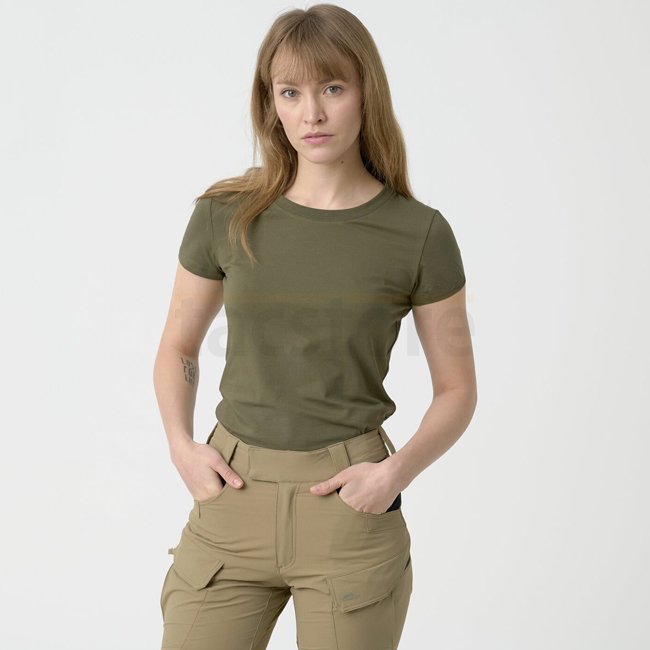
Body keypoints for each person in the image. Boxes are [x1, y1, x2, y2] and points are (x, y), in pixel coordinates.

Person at [153, 4, 477, 649]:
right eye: (290, 92)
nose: (312, 114)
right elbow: (178, 347)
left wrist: (394, 475)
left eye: (332, 88)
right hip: (231, 498)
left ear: (366, 92)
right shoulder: (225, 214)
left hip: (348, 507)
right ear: (270, 103)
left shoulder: (418, 234)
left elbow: (457, 390)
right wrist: (180, 446)